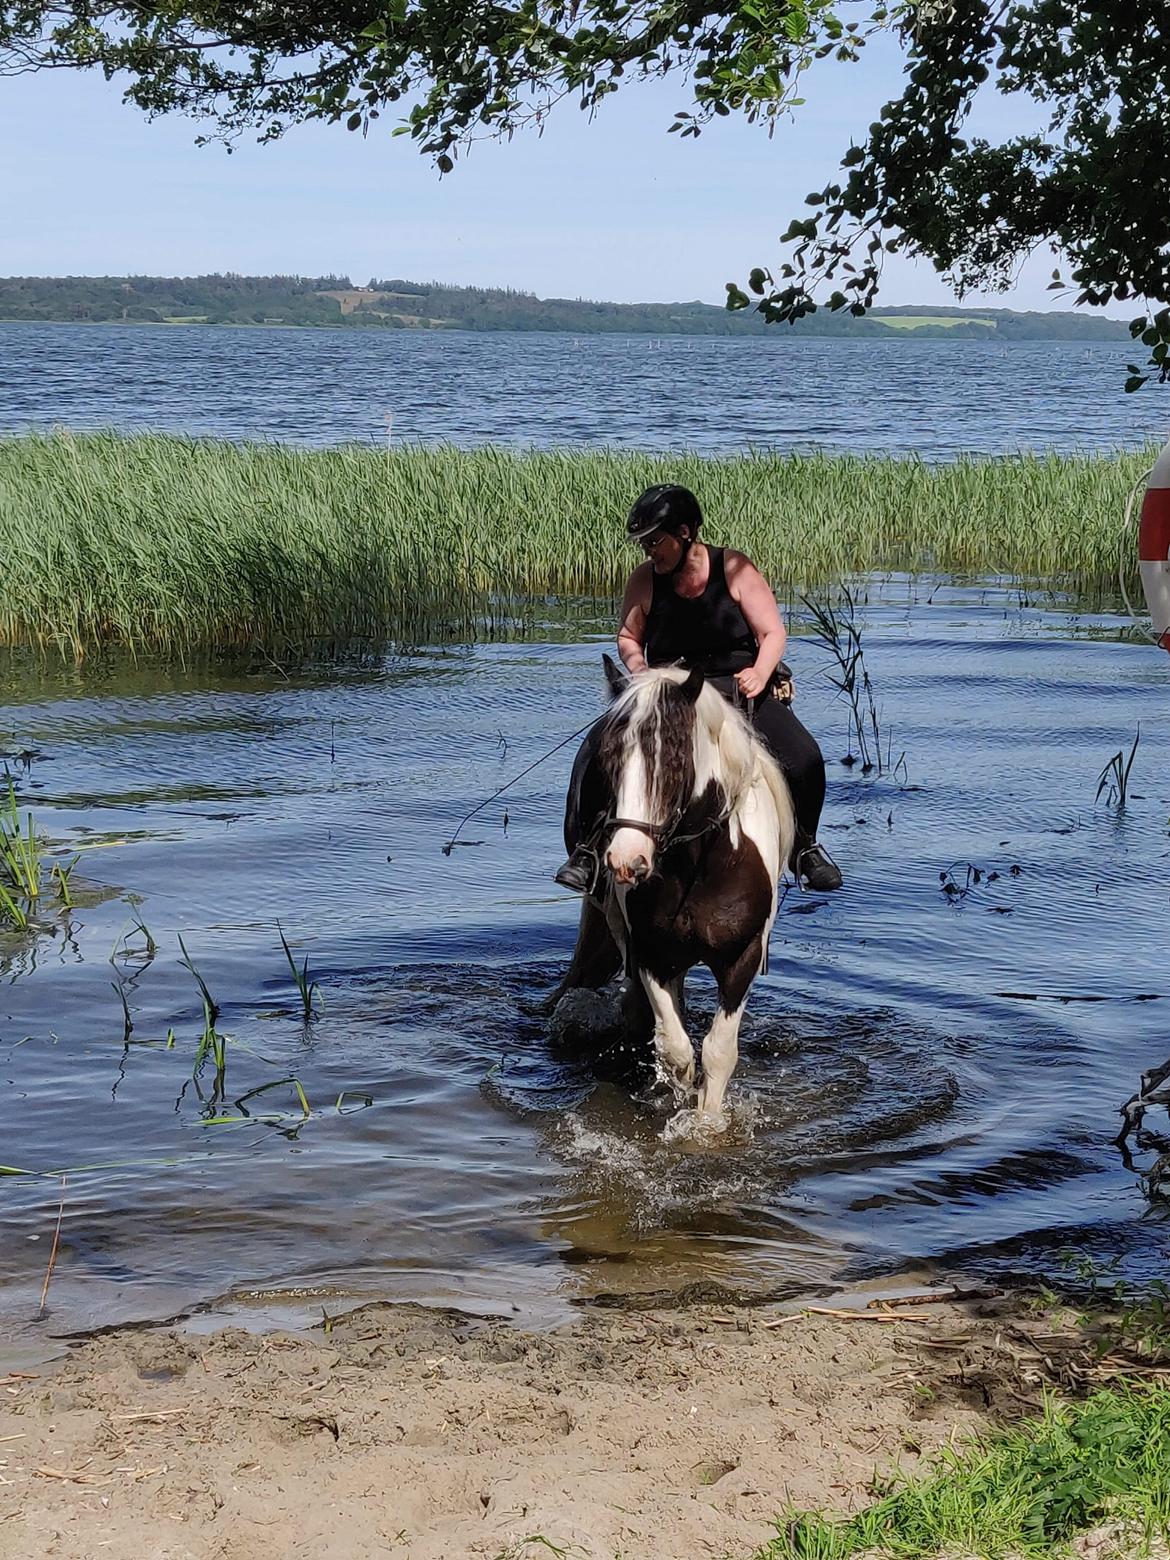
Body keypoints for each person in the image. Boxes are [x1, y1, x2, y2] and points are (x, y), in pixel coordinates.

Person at [555, 483, 843, 894]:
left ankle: (805, 847)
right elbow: (628, 638)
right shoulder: (645, 580)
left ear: (686, 533)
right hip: (672, 692)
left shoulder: (734, 569)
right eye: (643, 544)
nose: (648, 551)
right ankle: (585, 849)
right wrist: (639, 671)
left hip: (738, 686)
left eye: (656, 541)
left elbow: (772, 631)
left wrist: (762, 672)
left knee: (805, 756)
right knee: (600, 746)